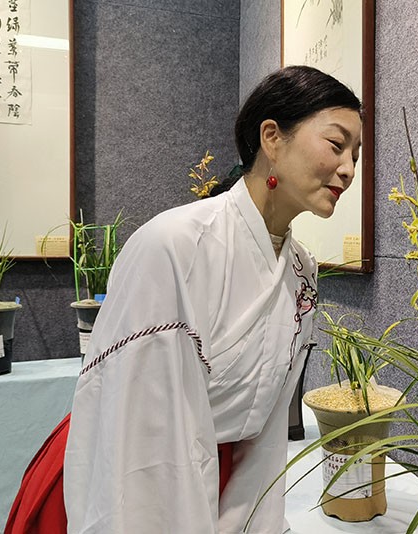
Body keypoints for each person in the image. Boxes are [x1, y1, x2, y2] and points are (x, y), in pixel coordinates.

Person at [55, 65, 361, 533]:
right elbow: (139, 430)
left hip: (222, 486)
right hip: (130, 483)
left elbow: (269, 429)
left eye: (356, 155)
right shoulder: (173, 245)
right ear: (272, 138)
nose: (348, 169)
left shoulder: (301, 270)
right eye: (336, 145)